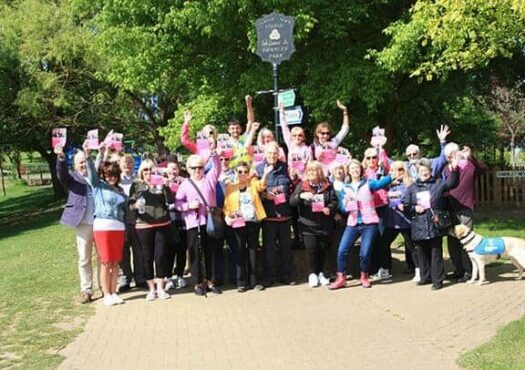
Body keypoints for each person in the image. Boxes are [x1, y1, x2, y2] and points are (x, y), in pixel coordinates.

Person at [330, 159, 393, 290]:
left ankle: (364, 276)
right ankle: (341, 277)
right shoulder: (345, 188)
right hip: (352, 223)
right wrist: (345, 204)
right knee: (342, 250)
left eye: (357, 168)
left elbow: (380, 183)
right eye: (352, 168)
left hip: (369, 223)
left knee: (364, 253)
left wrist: (393, 175)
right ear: (349, 171)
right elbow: (342, 208)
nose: (355, 170)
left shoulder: (368, 184)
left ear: (361, 170)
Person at [404, 156, 460, 290]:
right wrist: (413, 208)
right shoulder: (412, 187)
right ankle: (425, 277)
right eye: (421, 170)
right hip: (418, 224)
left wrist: (455, 169)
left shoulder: (438, 183)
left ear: (430, 170)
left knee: (436, 252)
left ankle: (437, 281)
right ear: (417, 172)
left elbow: (452, 183)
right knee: (421, 252)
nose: (424, 172)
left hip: (434, 223)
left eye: (426, 169)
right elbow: (406, 205)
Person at [84, 142, 127, 306]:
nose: (111, 177)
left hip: (119, 228)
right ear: (104, 175)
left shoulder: (120, 190)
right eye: (108, 175)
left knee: (116, 262)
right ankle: (106, 293)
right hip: (103, 227)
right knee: (106, 261)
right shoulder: (98, 186)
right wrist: (91, 155)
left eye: (114, 175)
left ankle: (114, 291)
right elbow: (92, 173)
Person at [175, 152, 222, 296]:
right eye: (194, 168)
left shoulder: (209, 179)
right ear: (189, 169)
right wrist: (188, 206)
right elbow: (178, 204)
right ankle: (197, 282)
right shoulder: (185, 184)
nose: (197, 170)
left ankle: (210, 281)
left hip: (209, 222)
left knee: (210, 251)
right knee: (195, 253)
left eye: (200, 167)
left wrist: (213, 155)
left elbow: (217, 168)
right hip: (193, 223)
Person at [129, 160, 175, 301]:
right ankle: (151, 289)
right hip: (143, 225)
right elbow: (130, 205)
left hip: (162, 223)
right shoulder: (136, 185)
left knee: (160, 256)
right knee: (147, 257)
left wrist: (166, 187)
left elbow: (171, 200)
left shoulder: (160, 183)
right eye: (145, 170)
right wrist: (135, 205)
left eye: (151, 170)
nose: (148, 173)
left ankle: (161, 287)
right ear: (141, 172)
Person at [55, 145, 95, 304]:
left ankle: (107, 287)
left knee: (103, 257)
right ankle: (86, 289)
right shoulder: (72, 178)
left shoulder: (95, 175)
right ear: (75, 165)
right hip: (83, 222)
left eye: (85, 162)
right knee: (84, 258)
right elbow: (61, 175)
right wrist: (60, 157)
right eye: (80, 163)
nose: (83, 165)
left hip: (99, 221)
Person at [443, 144, 488, 282]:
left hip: (465, 207)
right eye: (449, 154)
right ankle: (458, 269)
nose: (452, 156)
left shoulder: (469, 166)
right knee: (452, 241)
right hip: (450, 207)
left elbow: (483, 169)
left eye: (454, 153)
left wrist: (471, 157)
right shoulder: (446, 169)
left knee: (466, 239)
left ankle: (469, 271)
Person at [290, 161, 338, 288]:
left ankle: (321, 273)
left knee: (322, 249)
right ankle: (312, 274)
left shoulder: (328, 186)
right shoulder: (302, 185)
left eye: (314, 171)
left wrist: (329, 209)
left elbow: (334, 201)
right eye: (309, 171)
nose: (311, 173)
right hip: (307, 225)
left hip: (324, 224)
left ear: (319, 173)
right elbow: (292, 202)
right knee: (311, 249)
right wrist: (301, 196)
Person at [224, 161, 270, 292]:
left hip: (253, 221)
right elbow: (226, 206)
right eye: (240, 171)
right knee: (239, 251)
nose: (243, 174)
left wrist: (265, 174)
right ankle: (241, 282)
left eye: (245, 171)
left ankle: (255, 281)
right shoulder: (231, 187)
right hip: (238, 223)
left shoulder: (253, 183)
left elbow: (262, 186)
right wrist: (227, 216)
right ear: (236, 173)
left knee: (253, 251)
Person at [256, 141, 295, 287]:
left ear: (278, 154)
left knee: (286, 248)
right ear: (265, 154)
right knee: (269, 249)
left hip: (285, 214)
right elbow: (255, 190)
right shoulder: (259, 169)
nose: (272, 155)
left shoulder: (286, 168)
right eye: (270, 153)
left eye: (275, 153)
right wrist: (265, 195)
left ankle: (287, 276)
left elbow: (293, 185)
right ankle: (269, 277)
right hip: (269, 215)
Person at [375, 161, 419, 282]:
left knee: (412, 246)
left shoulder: (410, 185)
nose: (397, 172)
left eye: (400, 169)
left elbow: (415, 201)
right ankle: (385, 269)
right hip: (391, 221)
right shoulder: (389, 185)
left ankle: (419, 270)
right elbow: (376, 182)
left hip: (405, 221)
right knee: (383, 244)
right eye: (394, 170)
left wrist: (405, 206)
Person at [117, 154, 146, 291]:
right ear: (119, 164)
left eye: (130, 162)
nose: (127, 165)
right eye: (124, 162)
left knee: (139, 250)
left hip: (138, 220)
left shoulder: (139, 180)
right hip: (121, 221)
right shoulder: (116, 180)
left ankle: (140, 277)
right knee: (123, 252)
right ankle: (125, 279)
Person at [164, 159, 188, 290]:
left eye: (175, 169)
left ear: (179, 170)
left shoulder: (184, 182)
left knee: (181, 250)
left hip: (182, 221)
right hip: (167, 222)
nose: (172, 172)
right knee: (168, 251)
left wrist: (177, 206)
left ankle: (180, 275)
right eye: (170, 169)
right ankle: (168, 277)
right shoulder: (161, 182)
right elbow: (161, 204)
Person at [311, 100, 350, 173]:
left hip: (335, 173)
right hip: (321, 174)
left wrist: (345, 111)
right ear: (317, 133)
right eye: (323, 133)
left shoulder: (334, 141)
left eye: (327, 133)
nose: (325, 135)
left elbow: (345, 129)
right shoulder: (313, 146)